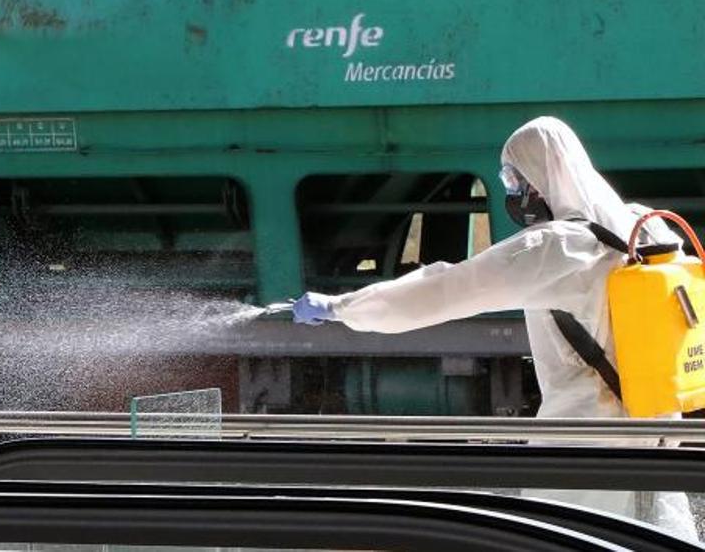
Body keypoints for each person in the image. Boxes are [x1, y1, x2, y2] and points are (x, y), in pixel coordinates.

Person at [284, 116, 699, 540]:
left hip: (585, 440)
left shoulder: (556, 247)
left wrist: (343, 307)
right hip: (659, 428)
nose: (513, 192)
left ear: (539, 177)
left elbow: (446, 289)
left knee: (560, 538)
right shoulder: (644, 225)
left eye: (514, 178)